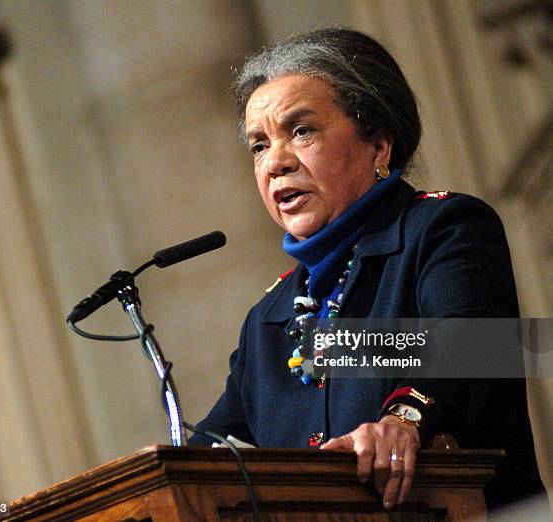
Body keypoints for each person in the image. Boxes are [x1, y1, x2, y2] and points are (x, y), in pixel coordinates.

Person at [189, 28, 544, 511]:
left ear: (378, 145)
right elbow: (209, 454)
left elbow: (485, 345)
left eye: (301, 130)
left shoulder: (441, 228)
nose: (275, 163)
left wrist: (402, 419)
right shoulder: (268, 321)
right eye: (258, 146)